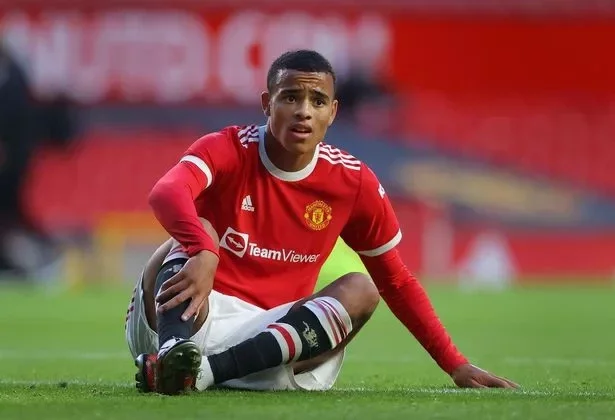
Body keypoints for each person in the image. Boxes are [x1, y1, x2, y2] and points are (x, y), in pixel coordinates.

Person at [125, 49, 518, 395]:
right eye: (290, 97)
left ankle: (199, 374)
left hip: (273, 345)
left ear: (333, 111)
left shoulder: (352, 182)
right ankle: (174, 352)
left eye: (317, 100)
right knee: (198, 230)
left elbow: (396, 282)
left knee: (364, 289)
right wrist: (204, 248)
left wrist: (454, 363)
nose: (303, 111)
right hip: (192, 317)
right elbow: (166, 193)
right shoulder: (227, 147)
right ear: (267, 103)